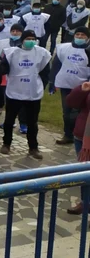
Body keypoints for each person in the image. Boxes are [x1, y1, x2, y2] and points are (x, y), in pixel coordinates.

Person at [0, 30, 51, 159]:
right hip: (15, 92)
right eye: (28, 38)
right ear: (23, 39)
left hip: (33, 93)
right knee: (9, 120)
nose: (30, 41)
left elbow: (45, 72)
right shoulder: (11, 53)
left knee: (32, 122)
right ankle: (6, 143)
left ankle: (33, 147)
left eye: (33, 38)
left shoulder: (42, 53)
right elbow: (4, 70)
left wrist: (40, 85)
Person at [49, 27, 90, 145]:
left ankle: (79, 135)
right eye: (78, 34)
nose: (80, 37)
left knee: (77, 113)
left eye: (83, 35)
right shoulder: (64, 48)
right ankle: (68, 135)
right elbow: (56, 64)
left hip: (82, 88)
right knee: (67, 112)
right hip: (66, 85)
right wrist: (52, 82)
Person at [65, 79, 90, 214]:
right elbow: (71, 102)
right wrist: (82, 89)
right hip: (83, 138)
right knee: (84, 173)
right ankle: (85, 202)